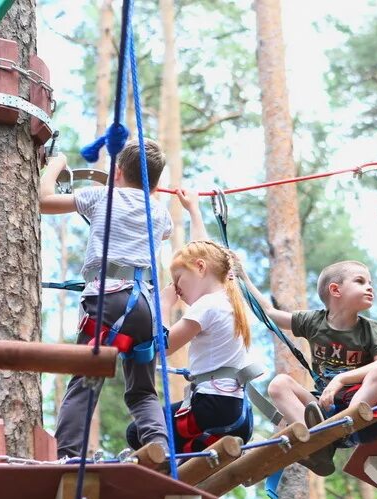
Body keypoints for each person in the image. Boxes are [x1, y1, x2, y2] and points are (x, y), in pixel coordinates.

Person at [39, 139, 173, 459]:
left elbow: (42, 200)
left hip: (107, 303)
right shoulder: (159, 212)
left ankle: (67, 455)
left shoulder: (103, 196)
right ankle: (160, 449)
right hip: (144, 309)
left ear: (117, 171)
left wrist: (55, 166)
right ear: (155, 183)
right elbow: (163, 232)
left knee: (85, 383)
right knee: (142, 392)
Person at [125, 189, 257, 453]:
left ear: (199, 269)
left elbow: (162, 348)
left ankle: (168, 469)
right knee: (166, 432)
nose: (177, 288)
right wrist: (194, 211)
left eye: (178, 281)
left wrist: (162, 305)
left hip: (211, 408)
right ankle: (191, 460)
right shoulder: (230, 299)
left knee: (137, 430)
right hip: (238, 411)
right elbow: (205, 255)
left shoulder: (207, 305)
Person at [238, 259, 377, 476]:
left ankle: (337, 427)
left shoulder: (371, 329)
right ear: (335, 290)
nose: (370, 287)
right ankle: (318, 443)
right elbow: (269, 313)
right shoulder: (314, 322)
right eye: (360, 281)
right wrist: (241, 277)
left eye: (370, 283)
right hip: (326, 408)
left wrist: (340, 380)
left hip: (363, 414)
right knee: (279, 384)